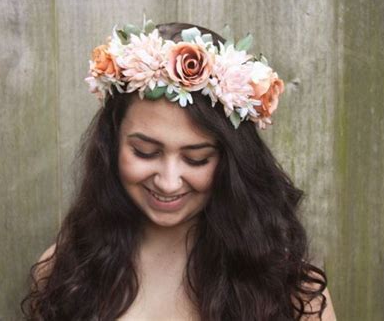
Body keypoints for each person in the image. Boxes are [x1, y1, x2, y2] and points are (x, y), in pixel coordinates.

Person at [21, 20, 336, 320]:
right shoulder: (64, 270)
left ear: (231, 161)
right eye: (145, 152)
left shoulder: (290, 287)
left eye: (197, 159)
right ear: (112, 146)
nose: (168, 182)